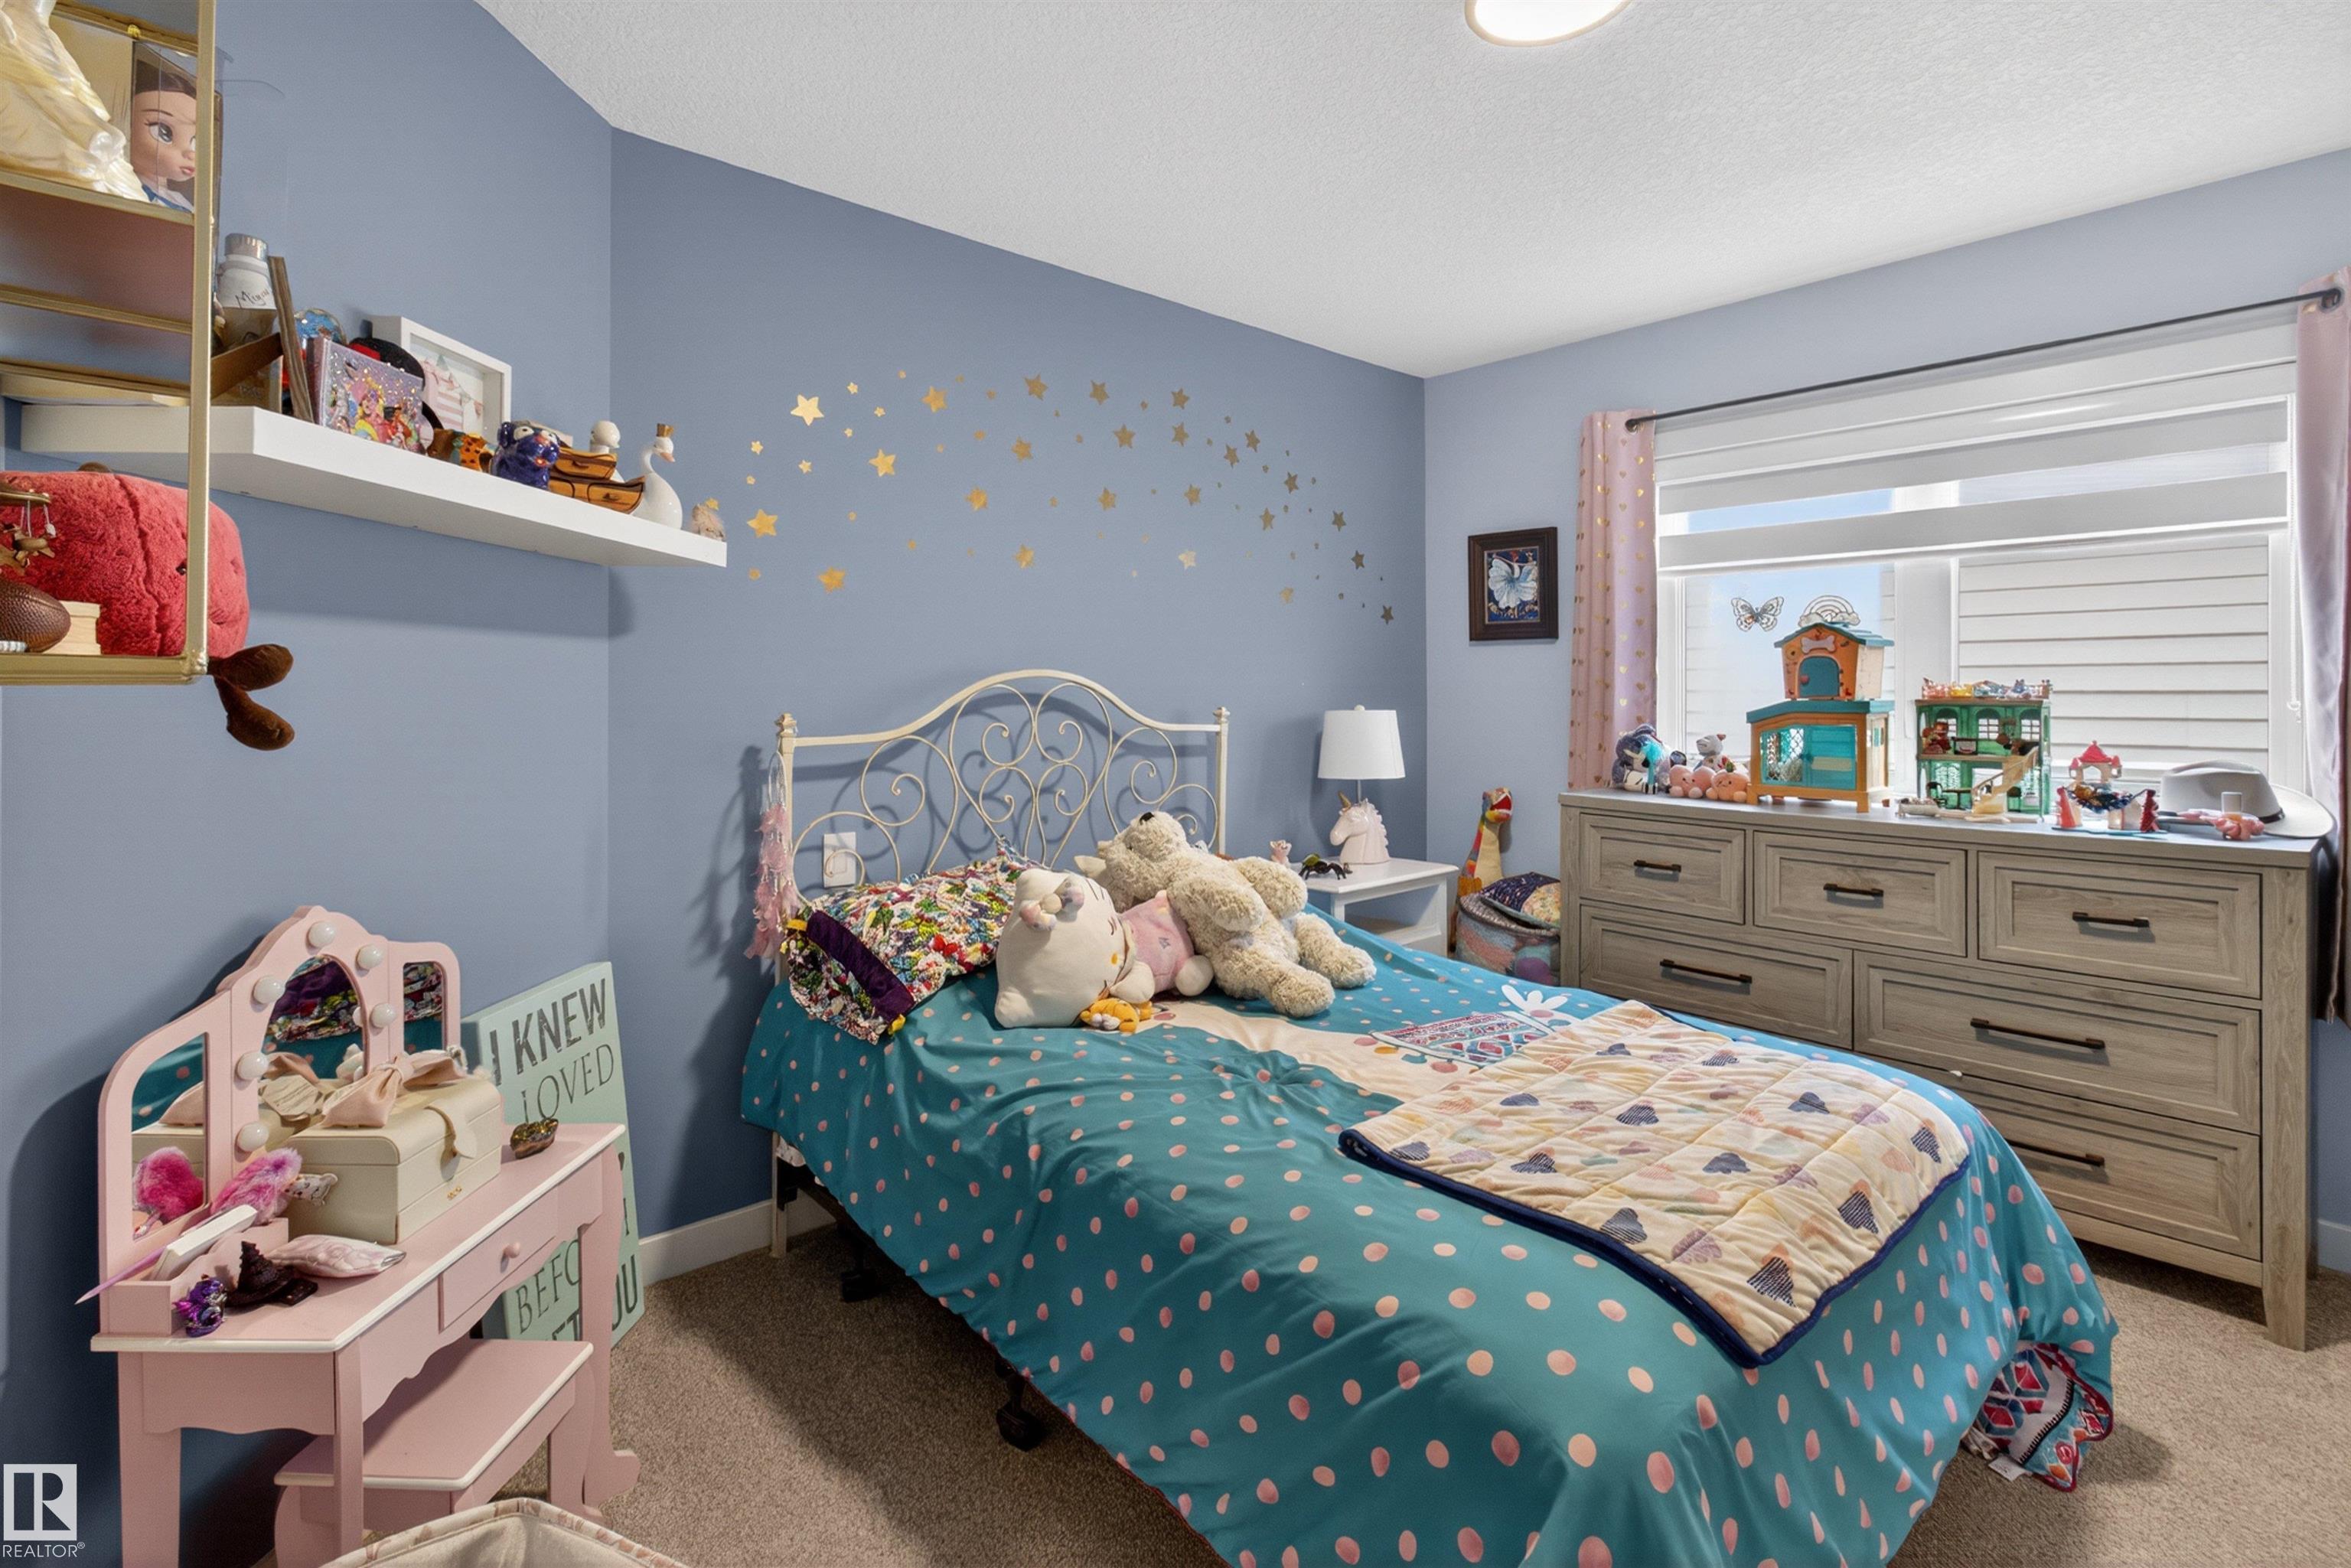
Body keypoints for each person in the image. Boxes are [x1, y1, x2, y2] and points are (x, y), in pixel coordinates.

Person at [126, 51, 196, 210]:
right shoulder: (129, 190)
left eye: (195, 142)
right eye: (164, 133)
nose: (191, 154)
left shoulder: (179, 201)